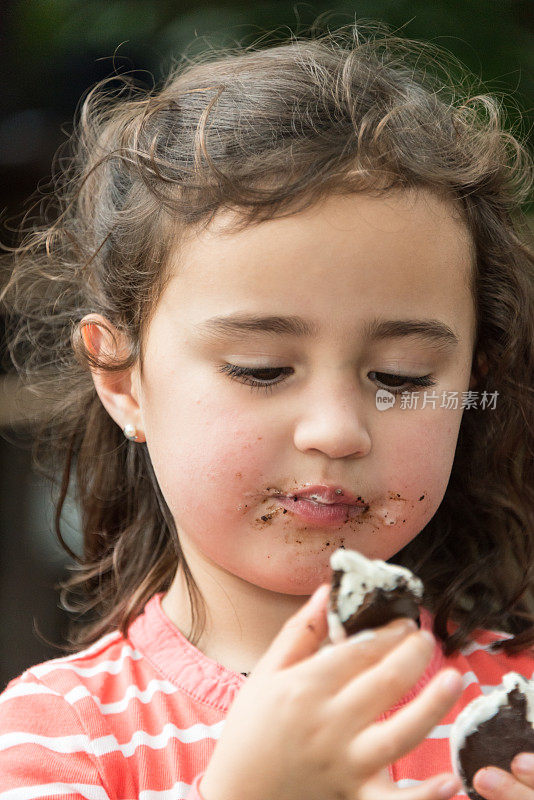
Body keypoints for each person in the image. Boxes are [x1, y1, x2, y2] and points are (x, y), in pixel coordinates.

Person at [0, 20, 533, 800]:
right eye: (261, 369)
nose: (337, 429)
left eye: (402, 375)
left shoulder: (515, 706)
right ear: (122, 381)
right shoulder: (60, 737)